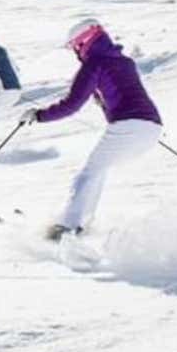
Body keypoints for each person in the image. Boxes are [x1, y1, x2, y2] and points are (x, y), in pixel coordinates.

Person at [21, 19, 162, 240]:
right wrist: (105, 103)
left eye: (74, 47)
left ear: (82, 43)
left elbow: (71, 105)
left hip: (129, 126)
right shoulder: (125, 61)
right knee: (99, 169)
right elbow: (123, 94)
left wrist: (39, 115)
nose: (75, 53)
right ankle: (82, 222)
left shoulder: (93, 64)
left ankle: (69, 227)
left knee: (89, 173)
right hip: (151, 128)